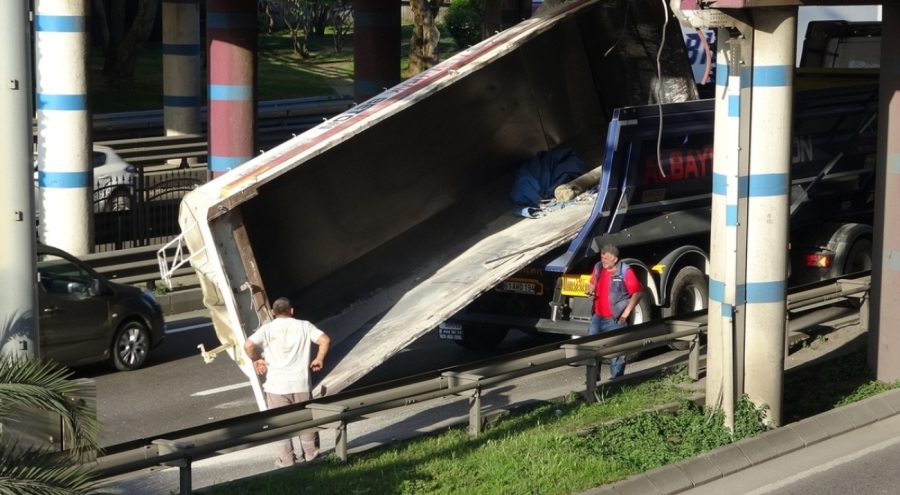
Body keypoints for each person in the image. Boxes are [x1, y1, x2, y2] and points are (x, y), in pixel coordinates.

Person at [244, 297, 331, 468]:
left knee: (281, 424)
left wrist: (257, 360)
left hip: (277, 387)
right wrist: (319, 358)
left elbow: (248, 345)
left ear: (272, 313)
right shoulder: (304, 326)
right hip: (301, 383)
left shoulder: (267, 329)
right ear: (292, 311)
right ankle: (311, 456)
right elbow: (325, 340)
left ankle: (286, 461)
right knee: (306, 421)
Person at [585, 244, 643, 379]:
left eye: (606, 258)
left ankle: (616, 382)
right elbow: (592, 282)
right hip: (597, 318)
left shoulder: (625, 271)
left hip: (615, 320)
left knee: (617, 355)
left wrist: (626, 313)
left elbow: (638, 292)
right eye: (602, 257)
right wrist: (591, 290)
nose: (603, 260)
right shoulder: (598, 267)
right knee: (592, 351)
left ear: (615, 259)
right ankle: (592, 382)